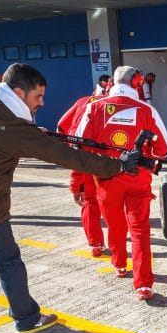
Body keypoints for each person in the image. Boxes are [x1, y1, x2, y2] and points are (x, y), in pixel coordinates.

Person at [0, 63, 140, 333]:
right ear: (18, 93)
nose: (42, 103)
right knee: (7, 261)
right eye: (38, 96)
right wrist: (119, 165)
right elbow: (70, 157)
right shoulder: (16, 130)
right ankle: (26, 320)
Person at [76, 66, 167, 301]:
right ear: (137, 82)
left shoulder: (94, 107)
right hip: (139, 180)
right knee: (140, 231)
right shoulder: (147, 109)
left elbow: (79, 146)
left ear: (112, 83)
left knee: (115, 225)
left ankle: (119, 264)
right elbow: (165, 148)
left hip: (107, 180)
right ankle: (143, 285)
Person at [57, 92, 110, 257]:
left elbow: (61, 126)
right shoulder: (120, 103)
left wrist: (74, 184)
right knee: (116, 202)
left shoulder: (83, 101)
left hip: (85, 160)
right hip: (112, 161)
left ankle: (96, 244)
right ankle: (118, 242)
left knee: (90, 202)